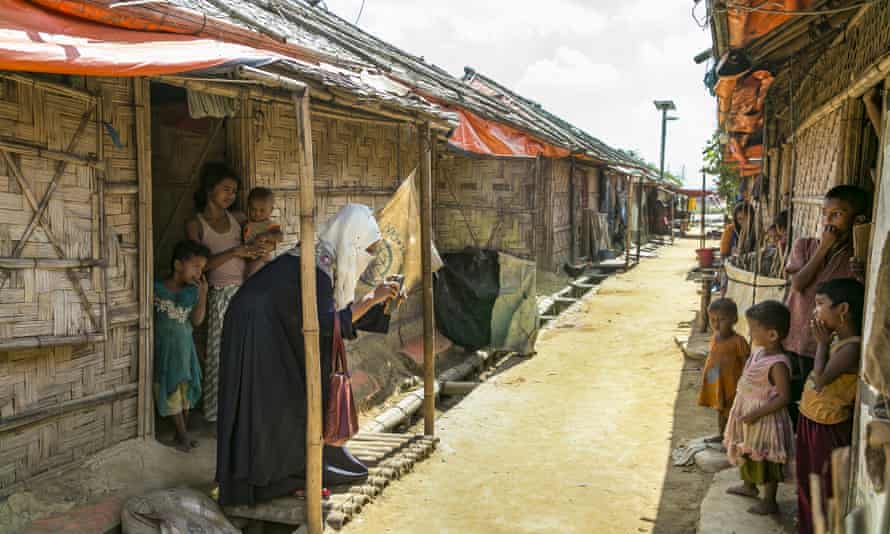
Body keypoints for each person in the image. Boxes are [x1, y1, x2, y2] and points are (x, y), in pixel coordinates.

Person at [216, 204, 399, 506]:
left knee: (278, 399)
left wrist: (380, 302)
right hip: (258, 329)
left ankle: (271, 475)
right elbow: (326, 322)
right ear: (351, 240)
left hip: (263, 324)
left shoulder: (321, 258)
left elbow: (331, 316)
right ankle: (266, 480)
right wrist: (371, 299)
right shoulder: (319, 265)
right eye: (366, 249)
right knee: (273, 401)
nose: (366, 257)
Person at [784, 185, 869, 423]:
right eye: (826, 214)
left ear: (857, 219)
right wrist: (823, 248)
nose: (828, 221)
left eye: (838, 214)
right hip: (793, 339)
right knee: (790, 403)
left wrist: (862, 275)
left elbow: (861, 299)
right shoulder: (806, 245)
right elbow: (798, 284)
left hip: (826, 348)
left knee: (816, 405)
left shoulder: (858, 256)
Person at [185, 163, 262, 424]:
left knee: (248, 353)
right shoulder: (196, 225)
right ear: (210, 190)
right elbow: (198, 265)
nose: (231, 195)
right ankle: (219, 414)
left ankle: (247, 409)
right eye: (225, 189)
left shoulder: (239, 219)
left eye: (234, 191)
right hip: (220, 296)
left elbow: (262, 234)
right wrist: (234, 252)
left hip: (246, 292)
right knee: (221, 356)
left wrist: (257, 249)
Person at [796, 278, 864, 534]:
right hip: (812, 419)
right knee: (807, 479)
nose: (815, 311)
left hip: (827, 427)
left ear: (843, 309)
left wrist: (822, 344)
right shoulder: (840, 341)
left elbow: (822, 380)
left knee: (822, 485)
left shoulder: (851, 348)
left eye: (820, 304)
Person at [724, 300, 794, 516]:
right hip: (749, 415)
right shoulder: (759, 351)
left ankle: (770, 501)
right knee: (746, 448)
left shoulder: (778, 364)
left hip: (766, 420)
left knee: (766, 457)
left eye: (754, 328)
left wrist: (755, 413)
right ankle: (748, 485)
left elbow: (783, 397)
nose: (750, 331)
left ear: (772, 335)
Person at [154, 240, 210, 452]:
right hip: (166, 350)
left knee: (185, 393)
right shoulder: (157, 290)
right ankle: (183, 435)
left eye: (202, 268)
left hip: (185, 350)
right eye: (195, 266)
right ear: (178, 265)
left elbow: (196, 321)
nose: (199, 272)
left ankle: (181, 433)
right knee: (172, 390)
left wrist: (203, 296)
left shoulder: (192, 293)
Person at [698, 298, 750, 443]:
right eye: (713, 320)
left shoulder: (738, 341)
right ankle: (721, 435)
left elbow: (747, 364)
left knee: (731, 412)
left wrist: (744, 385)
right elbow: (713, 358)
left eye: (722, 319)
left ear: (734, 320)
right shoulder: (715, 337)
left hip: (732, 385)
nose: (716, 324)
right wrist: (710, 381)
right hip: (717, 382)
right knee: (720, 410)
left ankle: (732, 438)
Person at [243, 187, 284, 278]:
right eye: (253, 209)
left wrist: (267, 235)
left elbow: (280, 236)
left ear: (271, 210)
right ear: (248, 207)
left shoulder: (270, 224)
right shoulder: (247, 223)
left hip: (264, 260)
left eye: (262, 210)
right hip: (250, 260)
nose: (257, 213)